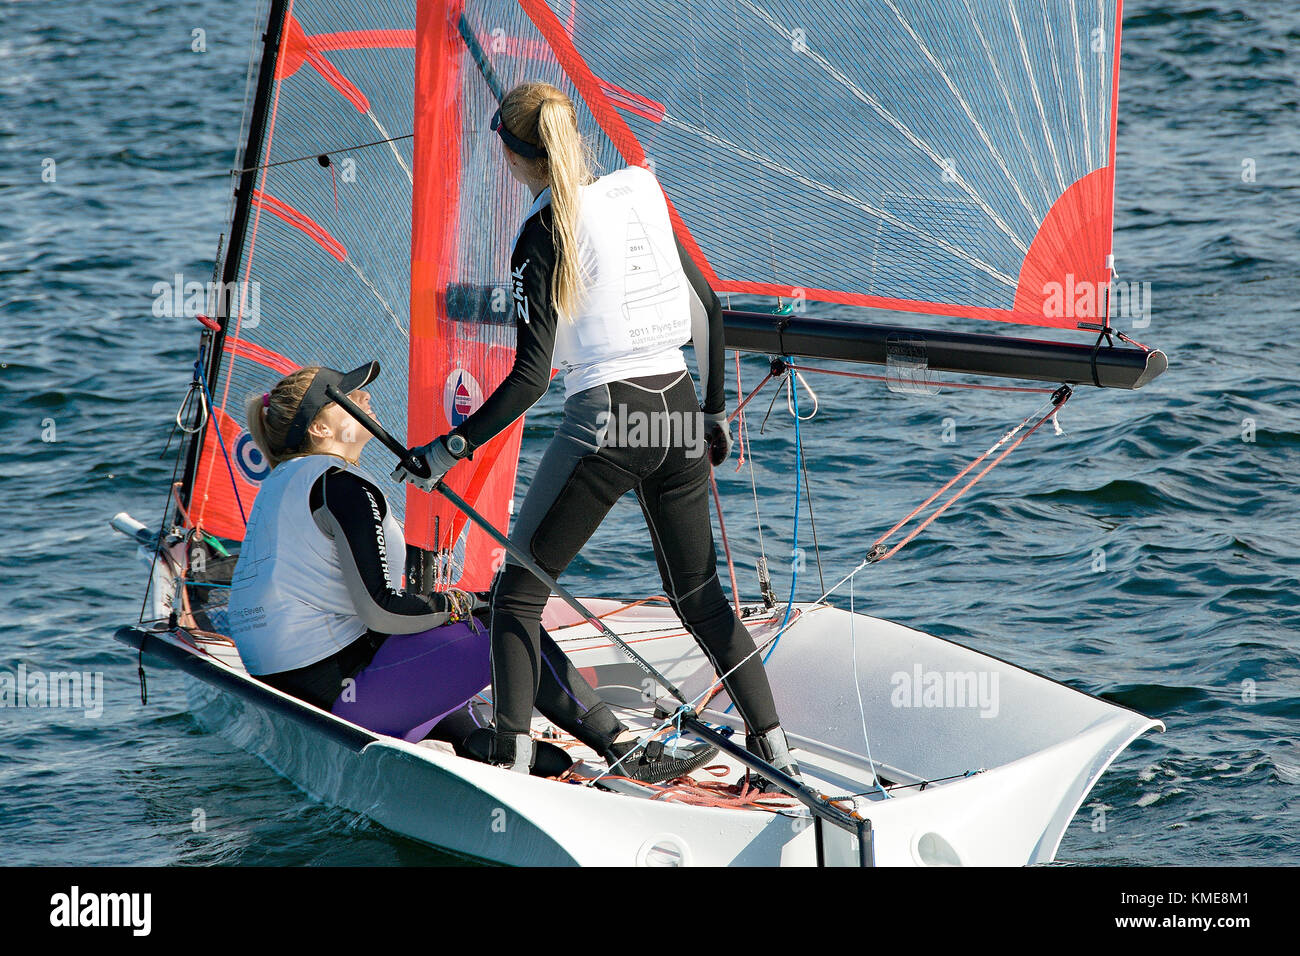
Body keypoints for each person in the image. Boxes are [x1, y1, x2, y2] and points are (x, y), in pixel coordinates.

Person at [394, 81, 802, 786]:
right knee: (701, 600)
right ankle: (776, 755)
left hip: (609, 419)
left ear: (516, 158)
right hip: (675, 409)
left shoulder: (538, 234)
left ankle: (513, 761)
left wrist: (446, 450)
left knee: (516, 594)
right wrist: (709, 415)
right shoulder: (636, 193)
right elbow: (708, 304)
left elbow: (529, 379)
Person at [228, 362, 707, 781]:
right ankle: (622, 749)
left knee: (446, 632)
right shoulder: (342, 486)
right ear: (318, 430)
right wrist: (464, 603)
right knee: (507, 617)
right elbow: (382, 613)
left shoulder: (278, 485)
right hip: (342, 706)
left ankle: (478, 742)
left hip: (286, 697)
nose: (366, 398)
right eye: (351, 397)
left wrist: (446, 610)